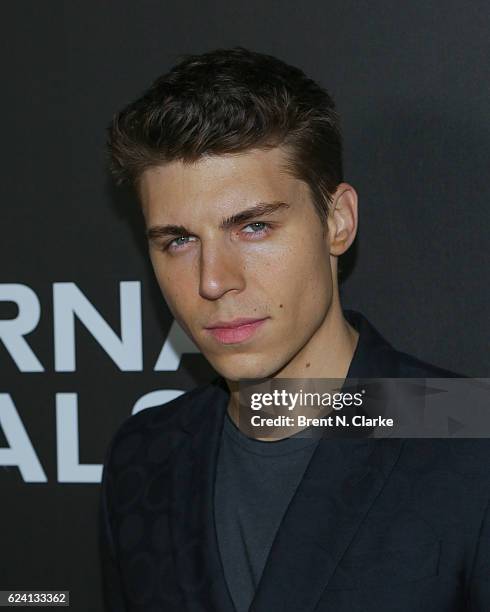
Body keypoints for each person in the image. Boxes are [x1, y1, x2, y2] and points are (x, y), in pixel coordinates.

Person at [99, 46, 490, 611]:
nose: (213, 281)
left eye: (253, 226)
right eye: (179, 240)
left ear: (337, 221)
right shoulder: (144, 459)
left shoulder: (472, 437)